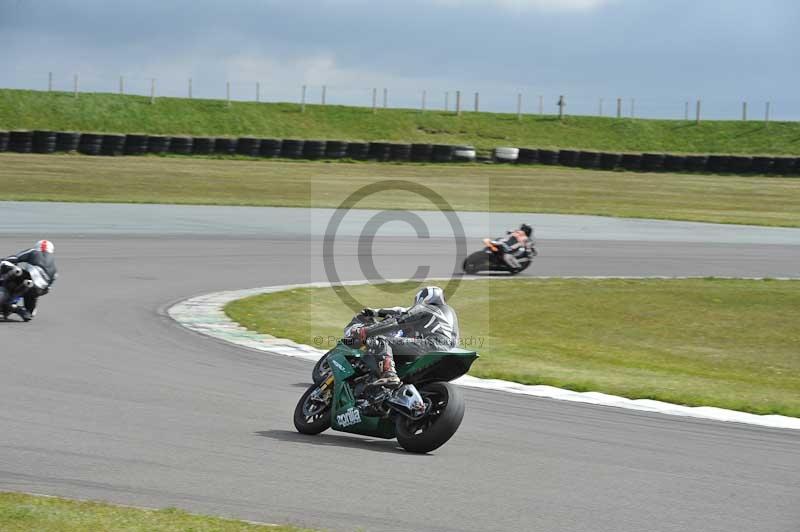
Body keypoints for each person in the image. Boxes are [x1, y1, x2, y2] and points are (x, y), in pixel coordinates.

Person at [344, 286, 459, 387]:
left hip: (432, 345)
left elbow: (398, 320)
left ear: (423, 298)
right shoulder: (447, 312)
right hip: (450, 350)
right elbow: (402, 310)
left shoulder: (426, 308)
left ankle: (389, 374)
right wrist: (376, 312)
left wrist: (366, 331)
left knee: (382, 341)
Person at [0, 240, 58, 321]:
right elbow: (48, 289)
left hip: (27, 279)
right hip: (38, 290)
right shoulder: (54, 269)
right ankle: (17, 308)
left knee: (7, 265)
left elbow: (15, 258)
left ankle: (10, 303)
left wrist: (4, 260)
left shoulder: (33, 251)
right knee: (29, 314)